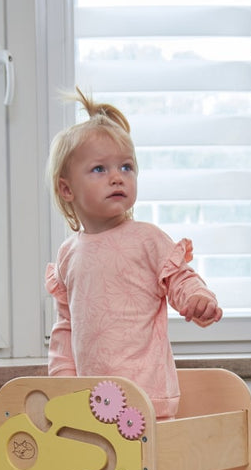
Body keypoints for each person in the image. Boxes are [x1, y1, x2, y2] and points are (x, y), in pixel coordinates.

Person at [45, 89, 222, 420]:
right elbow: (66, 326)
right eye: (99, 169)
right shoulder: (68, 254)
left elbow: (180, 278)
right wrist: (63, 385)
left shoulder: (147, 239)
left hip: (146, 398)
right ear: (67, 189)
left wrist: (197, 298)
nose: (116, 177)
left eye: (126, 167)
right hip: (90, 402)